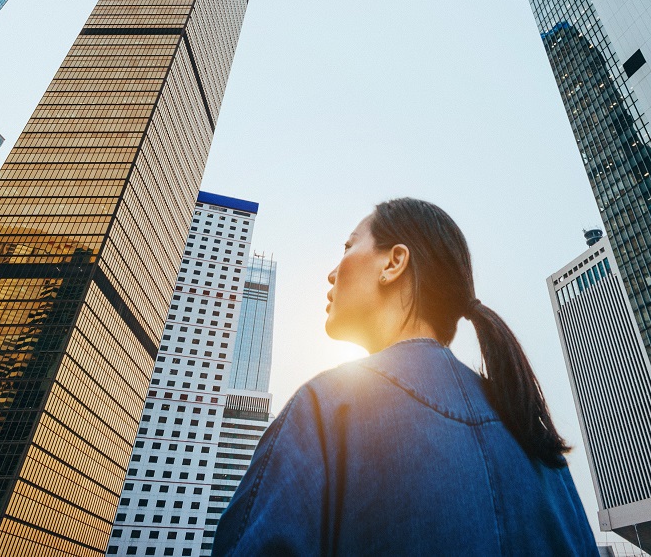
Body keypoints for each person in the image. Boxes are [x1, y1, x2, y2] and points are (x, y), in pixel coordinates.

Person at [213, 198, 599, 556]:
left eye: (348, 248)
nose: (332, 273)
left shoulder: (325, 409)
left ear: (394, 263)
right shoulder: (535, 438)